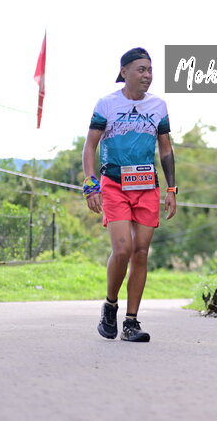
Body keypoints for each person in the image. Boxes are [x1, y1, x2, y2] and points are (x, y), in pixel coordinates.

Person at [82, 47, 177, 343]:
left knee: (141, 252)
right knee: (123, 249)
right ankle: (110, 305)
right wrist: (90, 184)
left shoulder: (158, 106)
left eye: (150, 70)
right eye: (141, 69)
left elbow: (166, 149)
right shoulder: (107, 104)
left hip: (147, 186)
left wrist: (172, 188)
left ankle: (131, 322)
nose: (147, 75)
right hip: (114, 184)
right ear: (124, 72)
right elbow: (90, 146)